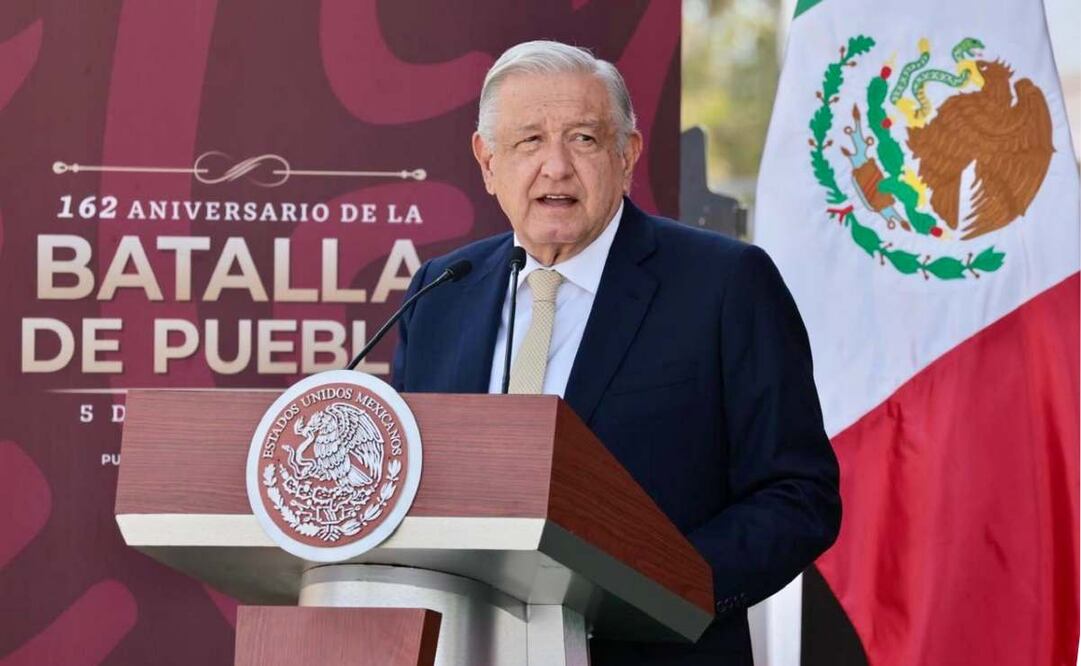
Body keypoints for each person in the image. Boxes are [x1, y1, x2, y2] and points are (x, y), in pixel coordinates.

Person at [391, 40, 841, 665]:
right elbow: (409, 485)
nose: (555, 167)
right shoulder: (442, 291)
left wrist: (661, 586)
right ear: (487, 161)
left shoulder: (725, 284)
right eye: (528, 142)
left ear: (626, 155)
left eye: (582, 139)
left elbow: (798, 495)